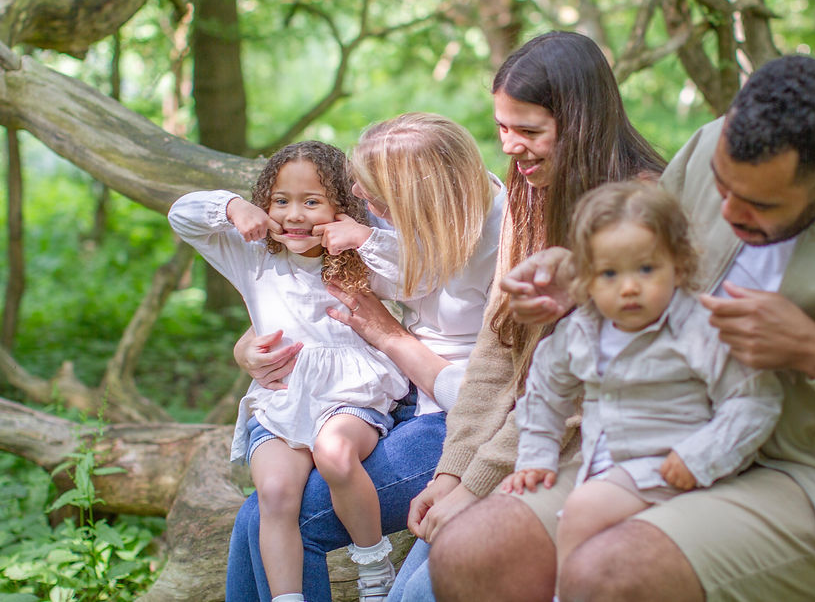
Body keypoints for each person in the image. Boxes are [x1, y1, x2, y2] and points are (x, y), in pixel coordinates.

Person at [434, 54, 815, 602]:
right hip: (667, 436)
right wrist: (578, 280)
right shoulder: (711, 146)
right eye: (722, 187)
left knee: (613, 573)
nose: (729, 211)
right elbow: (654, 263)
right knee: (472, 553)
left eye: (759, 205)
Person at [388, 30, 668, 602]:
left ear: (581, 121)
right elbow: (498, 348)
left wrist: (478, 486)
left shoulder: (636, 207)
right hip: (519, 441)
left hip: (598, 447)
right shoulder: (529, 194)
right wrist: (452, 473)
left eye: (530, 131)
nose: (511, 147)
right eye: (502, 129)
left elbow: (573, 389)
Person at [223, 115, 505, 602]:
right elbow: (309, 290)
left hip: (458, 420)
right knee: (265, 507)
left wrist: (387, 333)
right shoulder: (394, 221)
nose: (359, 200)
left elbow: (494, 393)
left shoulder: (507, 243)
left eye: (374, 198)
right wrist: (249, 346)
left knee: (285, 517)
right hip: (385, 391)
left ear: (423, 195)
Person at [501, 180, 782, 580]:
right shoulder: (582, 330)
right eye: (610, 273)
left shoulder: (698, 329)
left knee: (584, 511)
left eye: (647, 269)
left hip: (669, 465)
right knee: (539, 522)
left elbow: (752, 401)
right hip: (605, 464)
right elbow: (546, 394)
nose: (630, 287)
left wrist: (697, 457)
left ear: (679, 266)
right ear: (586, 280)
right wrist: (536, 455)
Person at [169, 141, 410, 602]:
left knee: (334, 453)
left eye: (312, 202)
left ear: (342, 207)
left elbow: (415, 270)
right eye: (281, 201)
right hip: (281, 400)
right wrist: (234, 206)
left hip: (351, 398)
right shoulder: (255, 258)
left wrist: (361, 236)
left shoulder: (360, 263)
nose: (295, 215)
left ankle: (374, 564)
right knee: (274, 493)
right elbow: (181, 215)